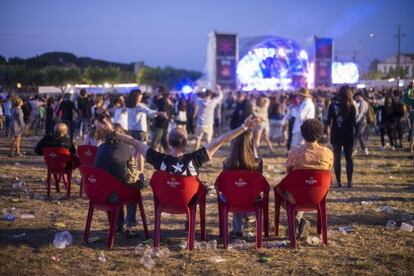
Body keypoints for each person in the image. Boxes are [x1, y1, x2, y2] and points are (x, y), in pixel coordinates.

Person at [284, 118, 333, 238]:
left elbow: (289, 174)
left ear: (302, 133)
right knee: (306, 185)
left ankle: (296, 219)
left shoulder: (294, 153)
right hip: (318, 194)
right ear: (320, 134)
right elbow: (328, 172)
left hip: (297, 195)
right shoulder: (327, 153)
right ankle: (298, 220)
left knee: (288, 189)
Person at [93, 123, 145, 237]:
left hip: (100, 194)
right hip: (118, 194)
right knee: (134, 185)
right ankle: (129, 224)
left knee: (116, 182)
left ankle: (118, 224)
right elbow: (132, 174)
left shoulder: (101, 148)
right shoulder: (126, 148)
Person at [223, 130, 262, 237]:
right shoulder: (257, 163)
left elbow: (225, 185)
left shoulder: (227, 163)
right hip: (252, 198)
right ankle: (247, 216)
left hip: (233, 198)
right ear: (251, 143)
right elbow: (259, 185)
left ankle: (237, 229)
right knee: (242, 191)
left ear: (234, 144)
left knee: (236, 191)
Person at [126, 89, 165, 172]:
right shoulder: (139, 106)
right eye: (140, 95)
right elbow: (150, 113)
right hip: (140, 132)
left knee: (134, 152)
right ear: (137, 96)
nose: (142, 96)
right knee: (141, 153)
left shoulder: (128, 105)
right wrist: (160, 113)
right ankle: (140, 173)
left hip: (131, 131)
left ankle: (132, 170)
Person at [328, 86, 356, 188]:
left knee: (337, 158)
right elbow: (353, 122)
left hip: (336, 134)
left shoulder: (333, 106)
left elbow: (328, 121)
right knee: (349, 159)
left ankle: (339, 182)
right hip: (348, 135)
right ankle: (349, 182)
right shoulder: (351, 106)